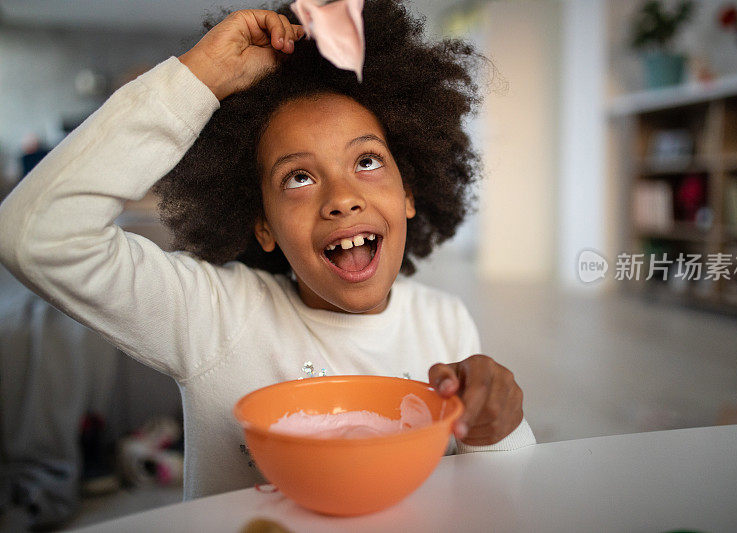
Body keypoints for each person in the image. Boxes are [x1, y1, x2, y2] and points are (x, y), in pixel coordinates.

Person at [0, 0, 535, 502]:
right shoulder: (211, 317)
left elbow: (494, 501)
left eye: (367, 161)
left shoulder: (445, 324)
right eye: (299, 177)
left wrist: (497, 431)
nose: (342, 198)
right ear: (263, 226)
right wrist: (197, 79)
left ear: (409, 194)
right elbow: (36, 235)